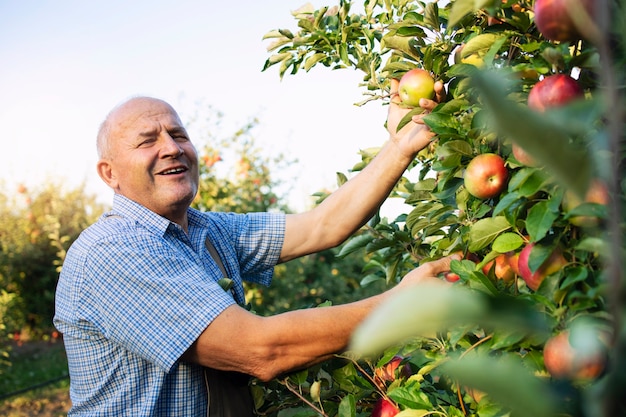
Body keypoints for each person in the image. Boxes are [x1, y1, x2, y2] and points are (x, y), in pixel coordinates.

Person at [54, 80, 458, 416]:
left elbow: (322, 226)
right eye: (147, 141)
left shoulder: (207, 230)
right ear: (110, 174)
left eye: (179, 135)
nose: (172, 148)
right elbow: (263, 349)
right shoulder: (112, 252)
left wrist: (402, 144)